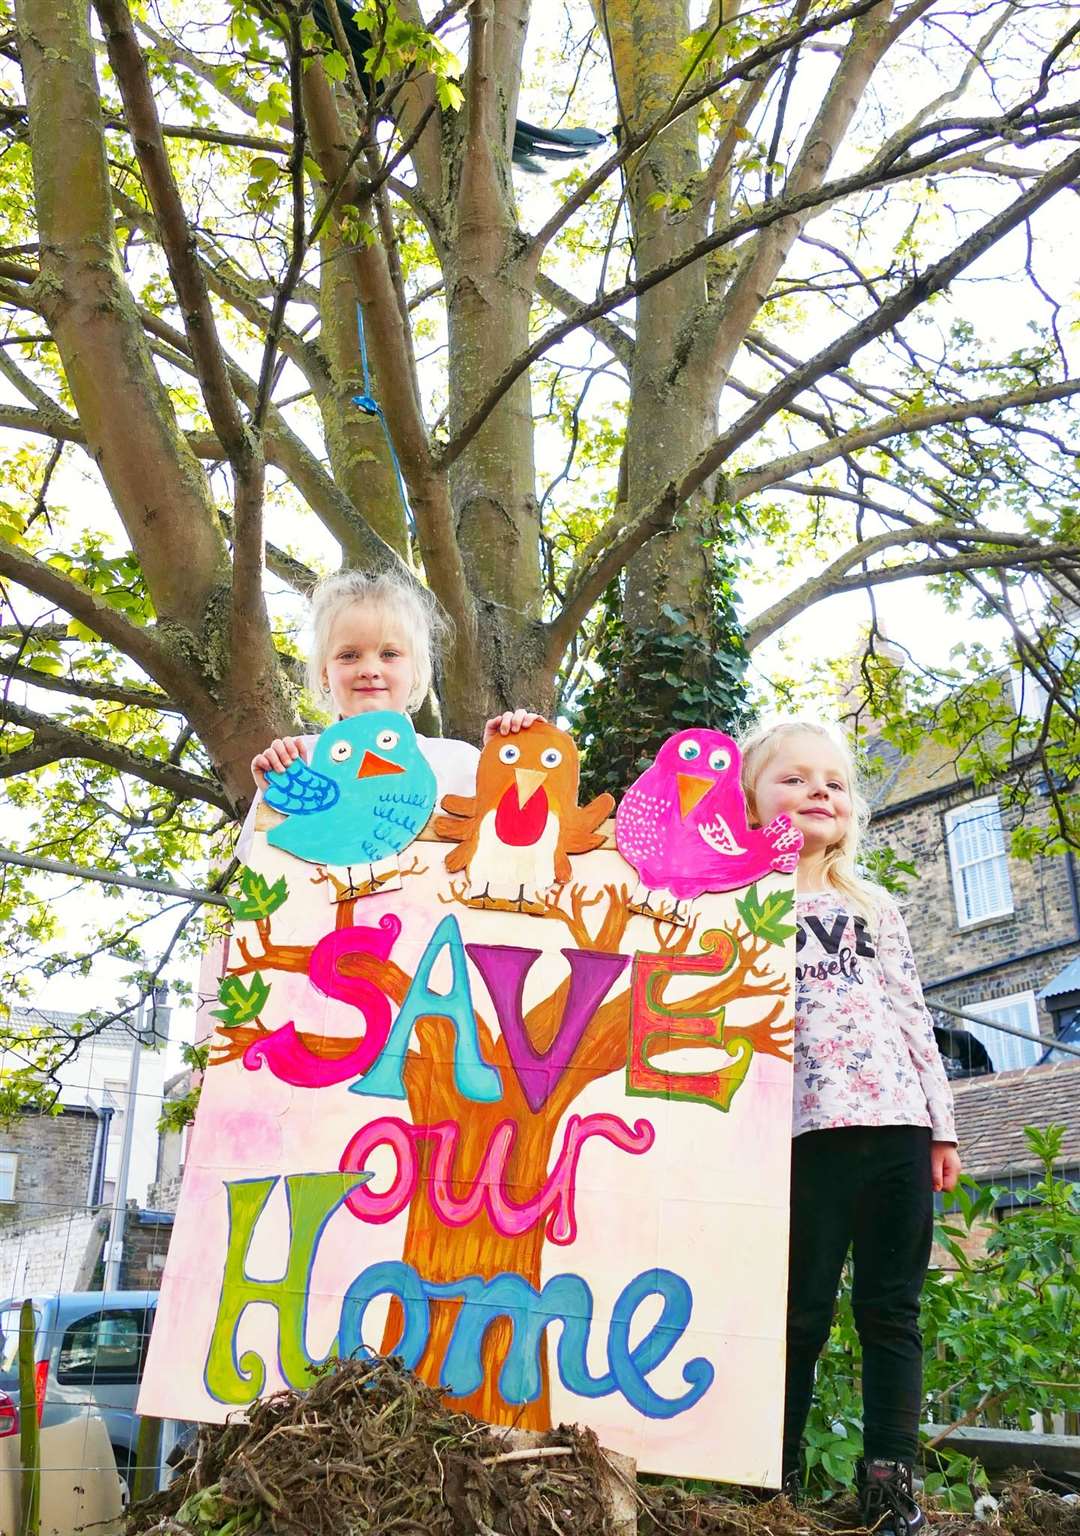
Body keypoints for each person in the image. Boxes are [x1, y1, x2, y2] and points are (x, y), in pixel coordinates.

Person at [740, 719, 961, 1535]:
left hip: (898, 1129)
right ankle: (774, 1478)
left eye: (832, 781)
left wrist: (942, 1129)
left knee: (889, 1311)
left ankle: (889, 1485)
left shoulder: (875, 906)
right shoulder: (732, 903)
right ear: (752, 801)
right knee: (796, 1312)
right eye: (793, 780)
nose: (818, 792)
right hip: (798, 1138)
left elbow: (912, 1017)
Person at [240, 569, 537, 860]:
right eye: (349, 655)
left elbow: (516, 851)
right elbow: (263, 874)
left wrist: (508, 766)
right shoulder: (298, 761)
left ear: (417, 670)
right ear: (324, 673)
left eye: (389, 654)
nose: (369, 670)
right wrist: (276, 802)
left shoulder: (459, 762)